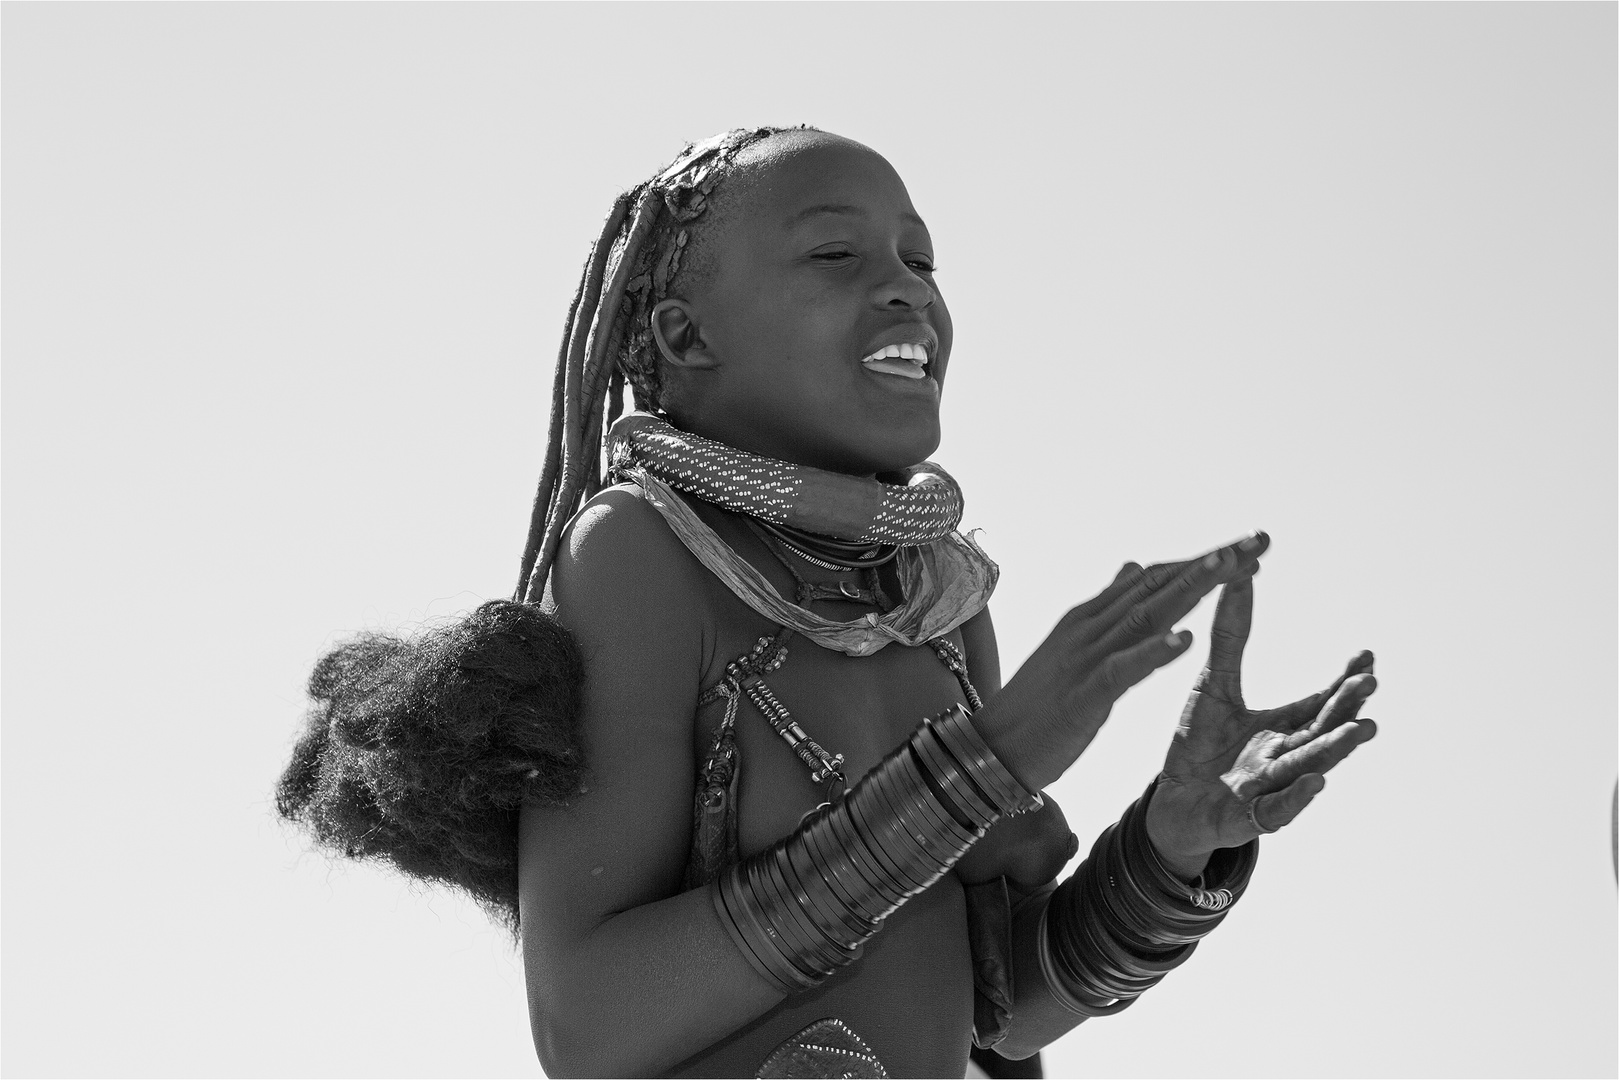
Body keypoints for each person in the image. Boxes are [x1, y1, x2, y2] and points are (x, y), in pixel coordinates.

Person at [279, 126, 1378, 1079]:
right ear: (684, 339)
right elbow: (587, 1025)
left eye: (920, 258)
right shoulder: (641, 555)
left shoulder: (938, 600)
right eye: (835, 254)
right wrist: (982, 768)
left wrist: (1169, 853)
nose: (906, 288)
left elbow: (997, 1015)